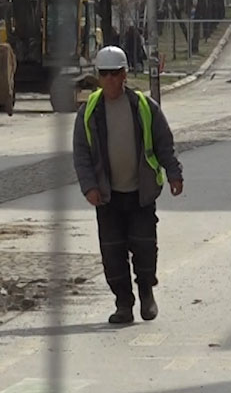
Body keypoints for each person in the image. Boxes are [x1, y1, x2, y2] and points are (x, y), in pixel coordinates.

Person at [72, 45, 183, 325]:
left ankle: (146, 293)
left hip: (140, 193)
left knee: (145, 248)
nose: (109, 79)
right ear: (98, 77)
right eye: (104, 74)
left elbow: (163, 143)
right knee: (112, 253)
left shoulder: (144, 107)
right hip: (108, 196)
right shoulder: (89, 112)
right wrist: (89, 187)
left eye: (115, 73)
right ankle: (123, 303)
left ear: (125, 75)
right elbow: (81, 154)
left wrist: (174, 173)